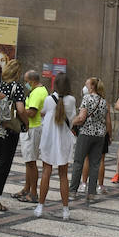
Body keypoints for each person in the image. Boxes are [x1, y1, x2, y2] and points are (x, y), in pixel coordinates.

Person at [34, 74, 76, 220]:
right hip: (64, 141)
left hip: (49, 140)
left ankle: (40, 207)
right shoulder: (71, 100)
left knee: (46, 172)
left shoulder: (48, 99)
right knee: (63, 175)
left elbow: (44, 112)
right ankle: (65, 210)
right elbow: (73, 118)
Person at [0, 60, 27, 211]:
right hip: (9, 130)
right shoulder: (16, 87)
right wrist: (27, 123)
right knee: (4, 164)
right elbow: (21, 109)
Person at [69, 78, 111, 202]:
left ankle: (72, 191)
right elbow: (107, 121)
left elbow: (82, 118)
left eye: (86, 84)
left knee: (78, 162)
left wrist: (71, 122)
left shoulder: (87, 98)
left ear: (92, 87)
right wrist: (109, 135)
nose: (85, 87)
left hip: (86, 133)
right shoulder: (104, 101)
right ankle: (91, 193)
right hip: (99, 136)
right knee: (94, 164)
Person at [15, 70, 48, 203]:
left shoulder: (37, 93)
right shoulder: (40, 90)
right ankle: (26, 188)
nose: (25, 84)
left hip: (32, 128)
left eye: (26, 81)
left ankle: (33, 193)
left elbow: (32, 112)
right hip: (32, 128)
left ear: (32, 81)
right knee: (29, 161)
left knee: (31, 162)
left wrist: (17, 111)